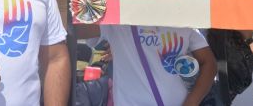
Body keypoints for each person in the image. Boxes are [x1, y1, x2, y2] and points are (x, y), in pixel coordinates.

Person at [76, 24, 217, 106]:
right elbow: (76, 29)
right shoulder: (117, 20)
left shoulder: (182, 20)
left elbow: (209, 64)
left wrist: (191, 103)